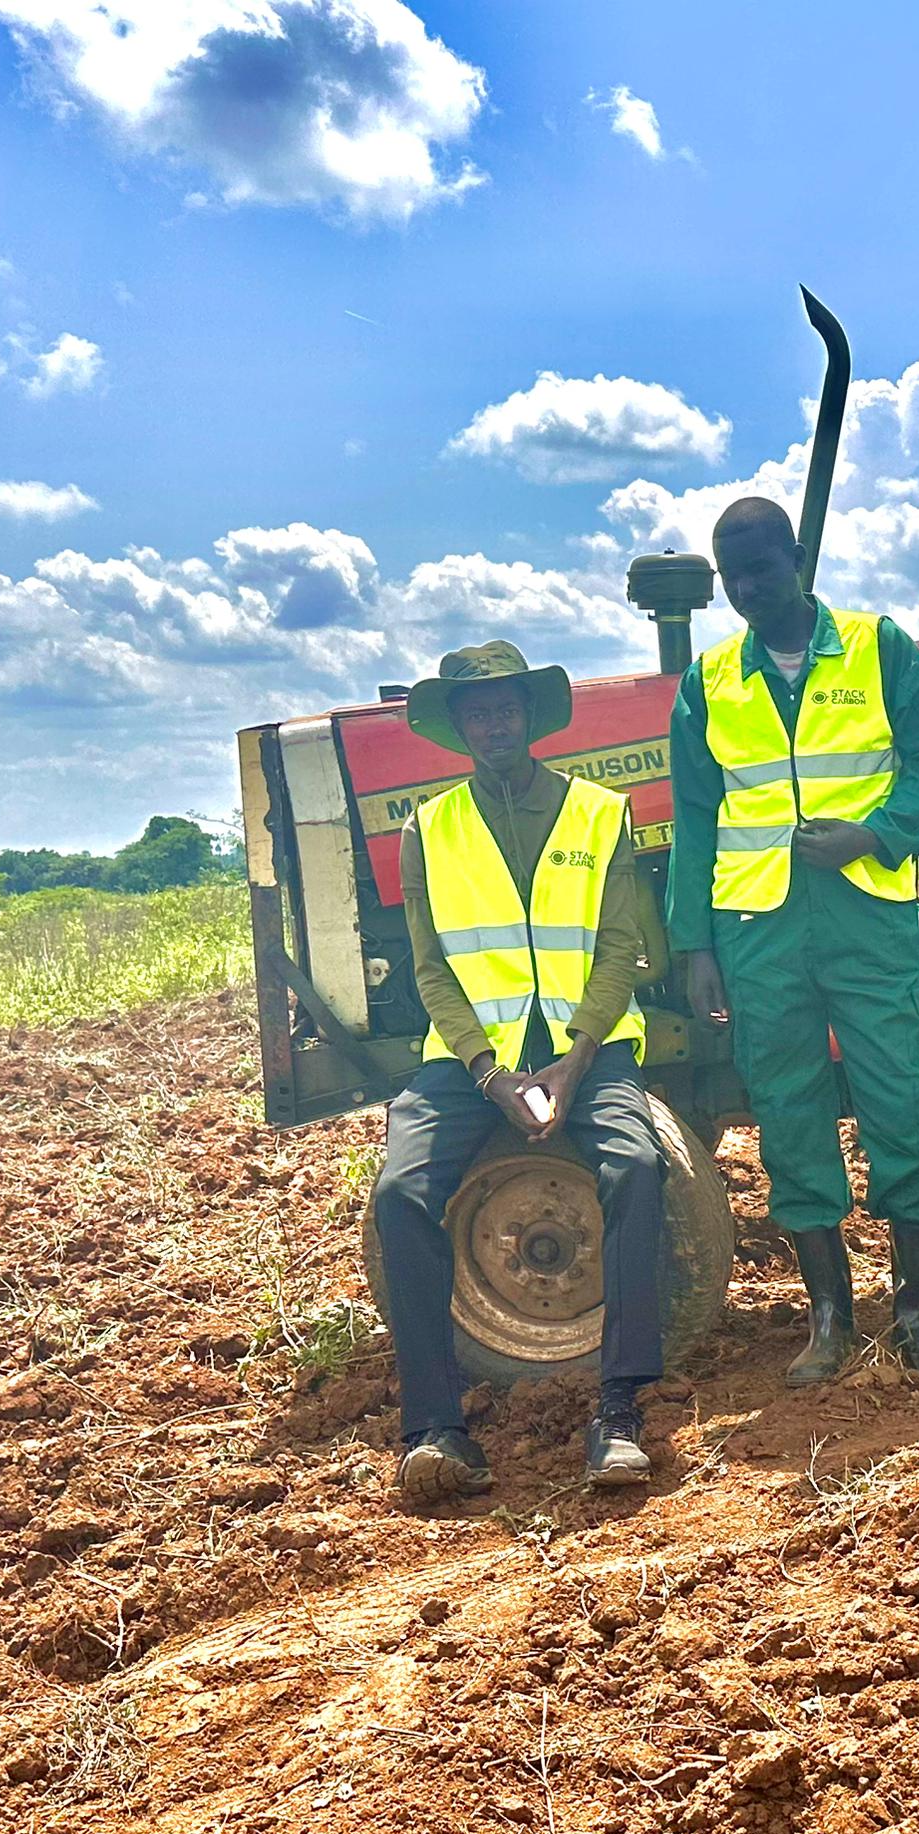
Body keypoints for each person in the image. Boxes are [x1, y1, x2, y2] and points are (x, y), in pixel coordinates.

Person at [666, 498, 919, 1390]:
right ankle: (829, 1317)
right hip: (756, 926)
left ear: (797, 558)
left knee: (898, 1101)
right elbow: (695, 818)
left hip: (865, 914)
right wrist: (697, 944)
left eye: (762, 567)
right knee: (790, 1111)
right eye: (733, 577)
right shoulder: (710, 681)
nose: (749, 589)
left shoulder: (880, 650)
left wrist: (876, 835)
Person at [372, 641, 666, 1504]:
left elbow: (621, 950)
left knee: (640, 1167)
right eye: (476, 710)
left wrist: (574, 1063)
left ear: (530, 718)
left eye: (507, 707)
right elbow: (432, 970)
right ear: (459, 727)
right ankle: (437, 1430)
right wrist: (490, 1072)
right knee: (398, 1194)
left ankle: (618, 1411)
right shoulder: (430, 828)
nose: (493, 721)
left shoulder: (599, 814)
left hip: (591, 1048)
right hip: (471, 1062)